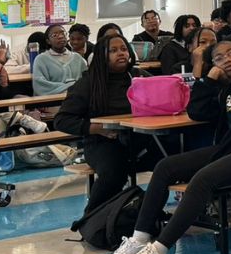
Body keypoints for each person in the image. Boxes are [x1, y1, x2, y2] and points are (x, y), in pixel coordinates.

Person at [103, 38, 231, 254]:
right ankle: (139, 237)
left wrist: (218, 157)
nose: (227, 60)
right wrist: (209, 80)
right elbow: (197, 110)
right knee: (166, 166)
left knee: (203, 178)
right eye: (219, 58)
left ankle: (158, 249)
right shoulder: (228, 89)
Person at [55, 35, 160, 211]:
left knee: (172, 162)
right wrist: (95, 128)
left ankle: (151, 214)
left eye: (124, 49)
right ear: (102, 55)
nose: (121, 53)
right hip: (102, 142)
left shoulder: (139, 76)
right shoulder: (89, 82)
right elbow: (62, 120)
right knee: (114, 173)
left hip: (141, 140)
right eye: (113, 50)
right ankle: (92, 217)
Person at [32, 24, 86, 96]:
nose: (60, 37)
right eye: (55, 35)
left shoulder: (77, 58)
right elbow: (40, 86)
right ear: (48, 41)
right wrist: (71, 86)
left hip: (77, 100)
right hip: (52, 102)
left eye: (63, 33)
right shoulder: (41, 59)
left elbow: (86, 81)